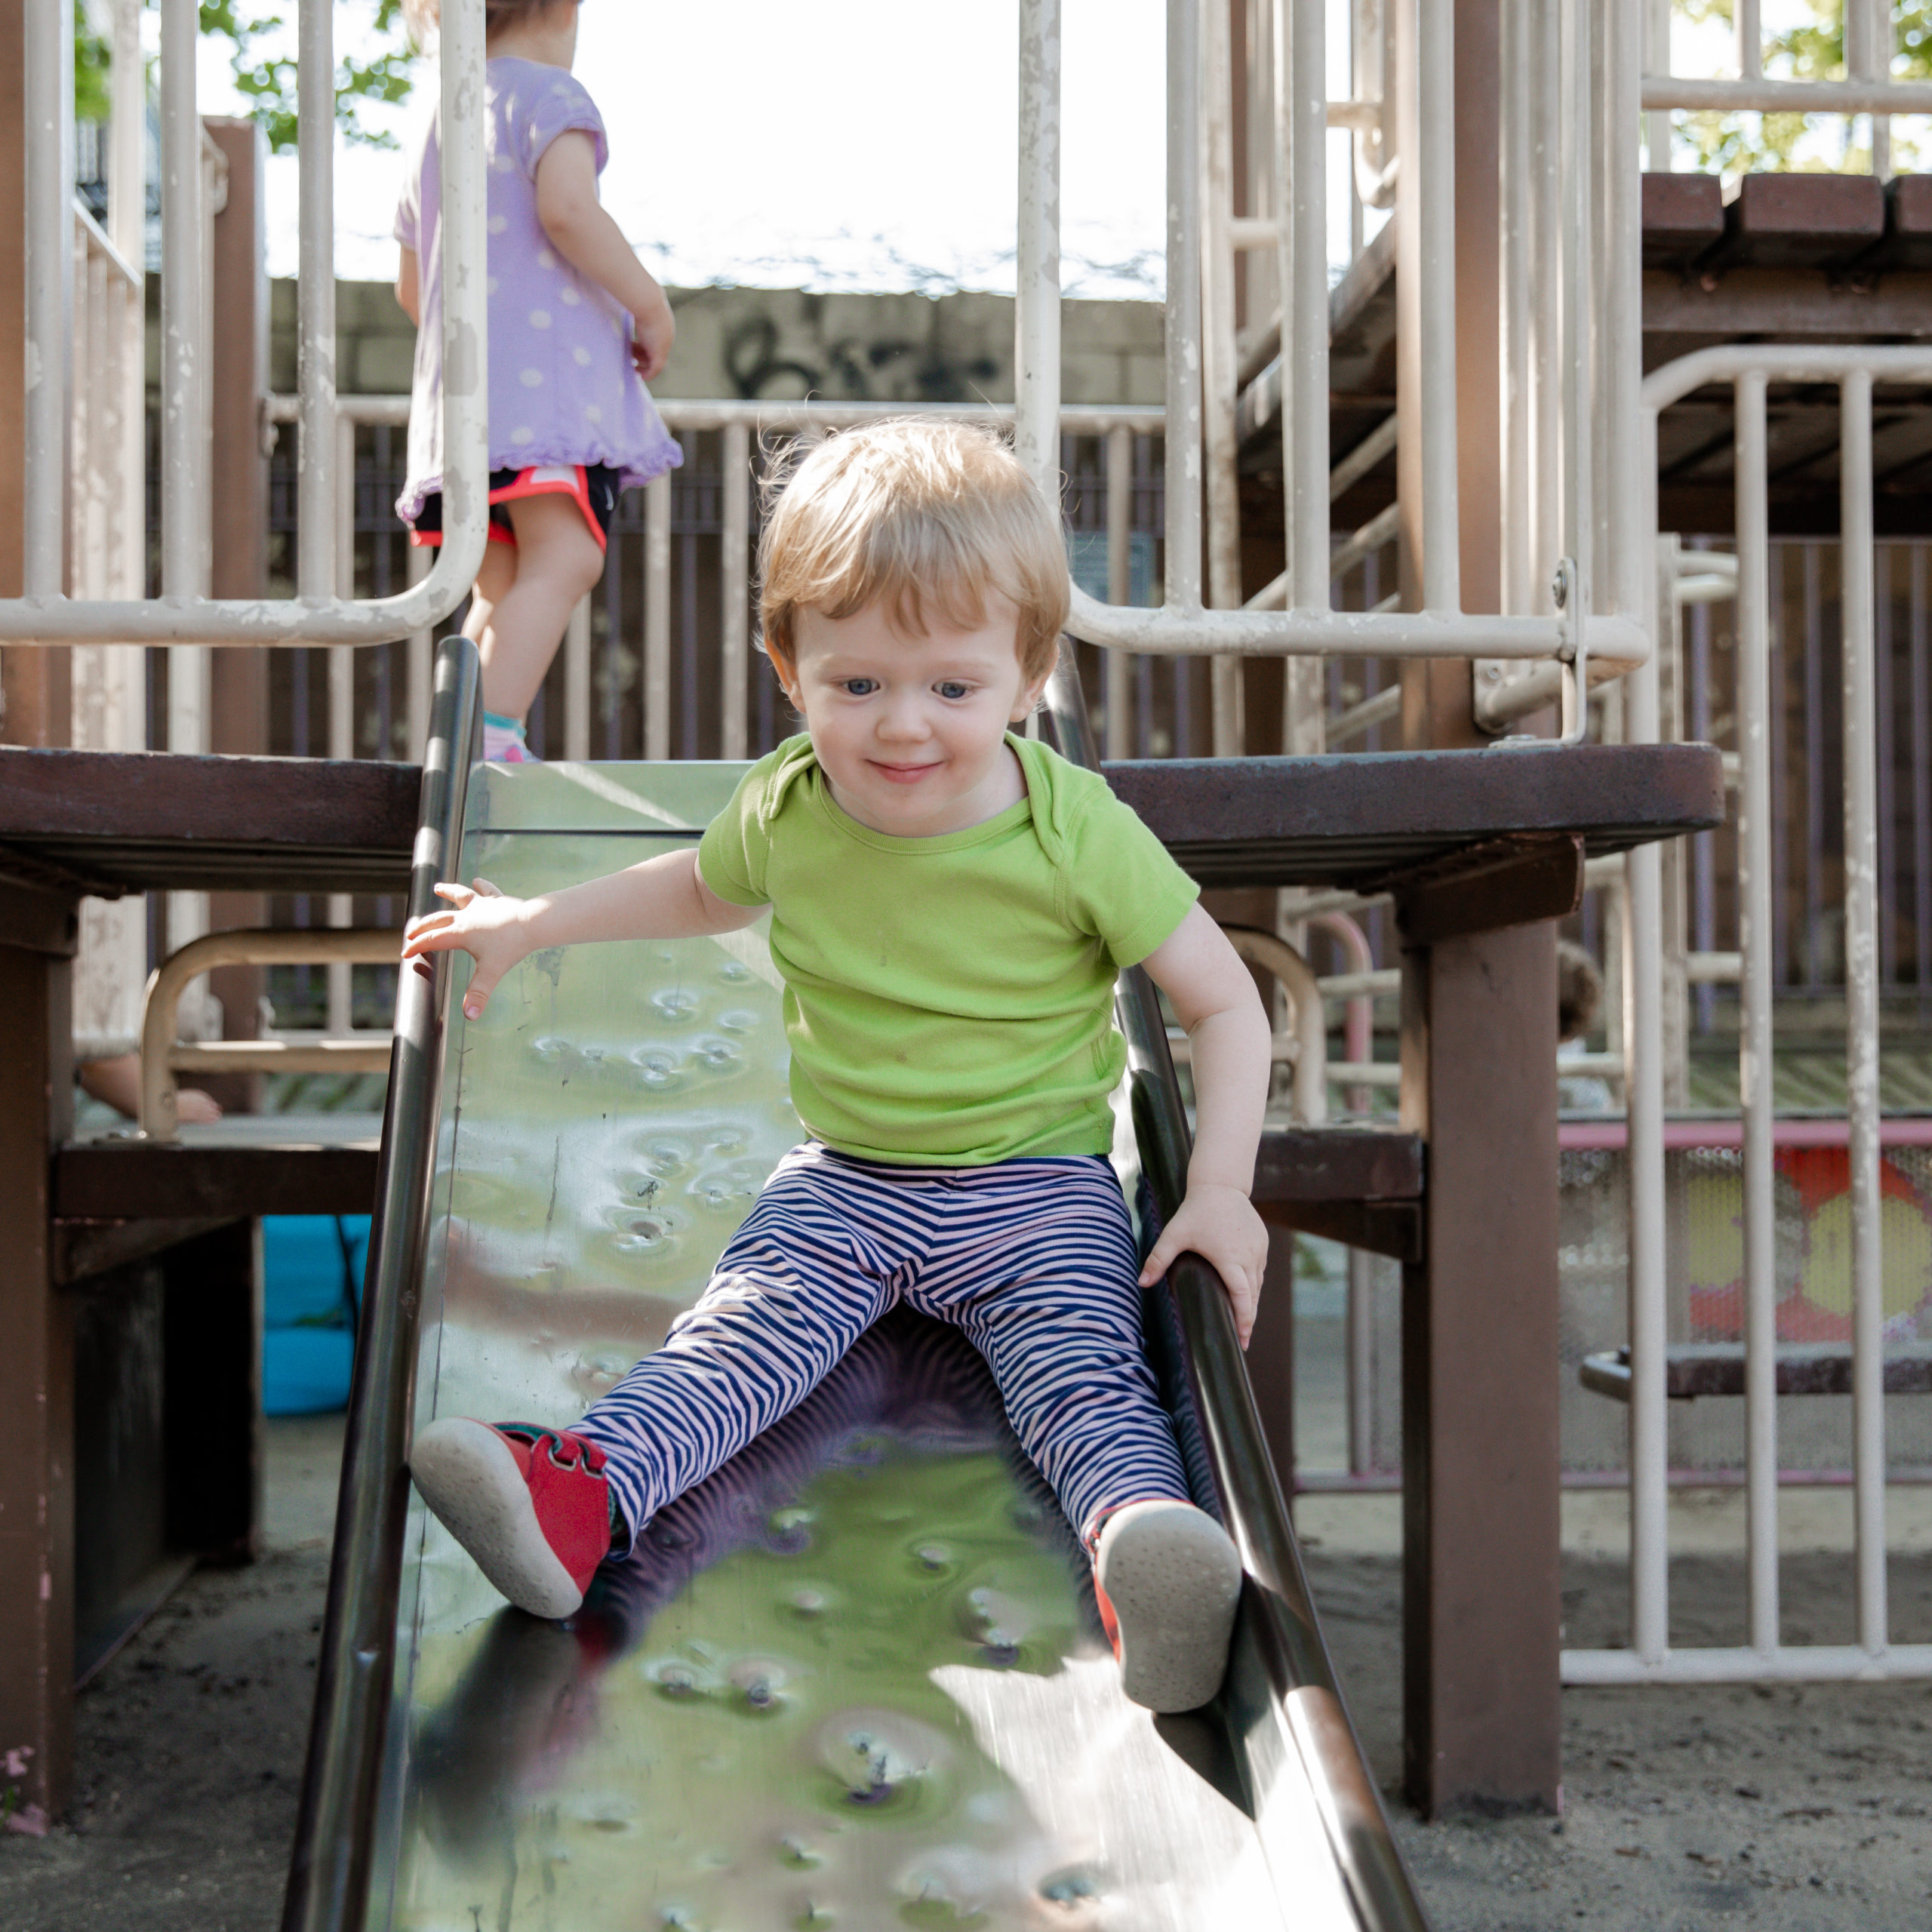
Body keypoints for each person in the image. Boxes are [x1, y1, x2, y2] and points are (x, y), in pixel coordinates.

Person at [401, 421, 1273, 1715]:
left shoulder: (1074, 828)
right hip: (848, 1189)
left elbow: (1228, 1007)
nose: (903, 726)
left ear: (1027, 676)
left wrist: (1219, 1191)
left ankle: (1143, 1554)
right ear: (790, 669)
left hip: (1036, 1196)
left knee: (1085, 1374)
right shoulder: (791, 803)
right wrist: (538, 923)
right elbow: (695, 888)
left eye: (952, 689)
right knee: (734, 1344)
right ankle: (575, 1497)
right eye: (857, 685)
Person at [395, 0, 681, 762]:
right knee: (567, 556)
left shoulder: (440, 116)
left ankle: (458, 739)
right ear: (563, 7)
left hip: (463, 408)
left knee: (501, 577)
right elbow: (566, 209)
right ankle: (491, 736)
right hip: (543, 400)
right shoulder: (553, 97)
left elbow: (410, 287)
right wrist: (646, 302)